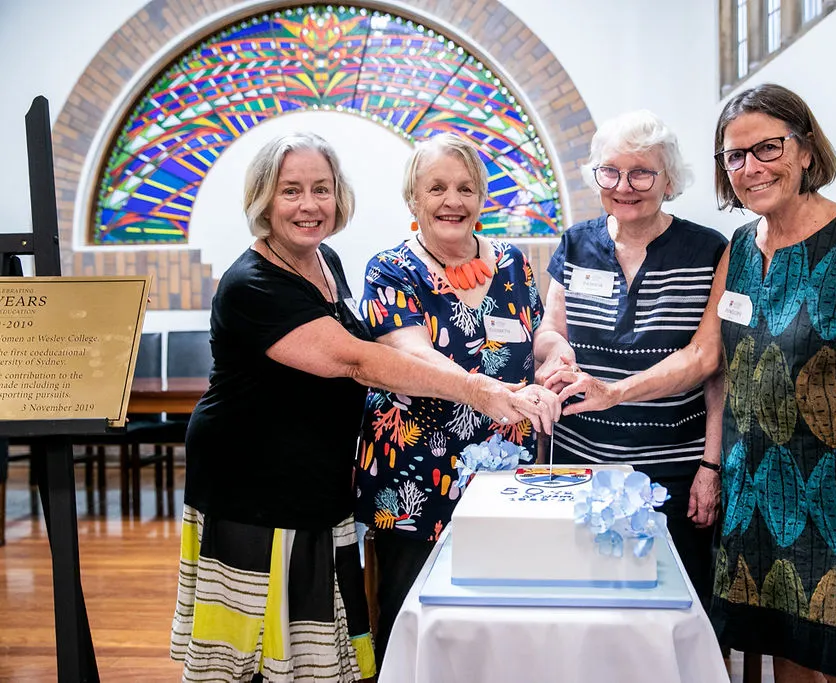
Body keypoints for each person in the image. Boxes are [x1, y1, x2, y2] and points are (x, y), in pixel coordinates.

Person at [170, 132, 556, 683]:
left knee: (314, 647)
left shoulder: (322, 260)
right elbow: (359, 361)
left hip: (316, 480)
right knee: (253, 649)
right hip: (255, 487)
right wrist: (485, 392)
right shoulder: (252, 284)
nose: (309, 205)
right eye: (291, 191)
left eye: (321, 190)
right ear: (263, 199)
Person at [700, 84, 836, 682]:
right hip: (758, 497)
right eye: (734, 157)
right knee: (785, 658)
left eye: (766, 148)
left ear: (804, 150)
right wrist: (613, 390)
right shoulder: (742, 249)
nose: (750, 167)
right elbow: (705, 358)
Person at [356, 133, 559, 664]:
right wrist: (482, 390)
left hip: (504, 473)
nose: (453, 201)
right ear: (413, 200)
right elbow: (408, 355)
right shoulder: (391, 270)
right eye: (437, 188)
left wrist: (557, 355)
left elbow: (531, 336)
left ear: (482, 198)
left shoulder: (513, 262)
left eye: (466, 188)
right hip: (414, 475)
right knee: (411, 620)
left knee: (497, 621)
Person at [533, 110, 728, 608]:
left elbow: (709, 362)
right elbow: (552, 330)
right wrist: (556, 356)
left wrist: (711, 464)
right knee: (588, 610)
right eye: (611, 172)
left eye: (642, 172)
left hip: (673, 472)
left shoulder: (708, 251)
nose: (625, 186)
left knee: (680, 612)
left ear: (669, 181)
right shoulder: (576, 243)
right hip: (580, 466)